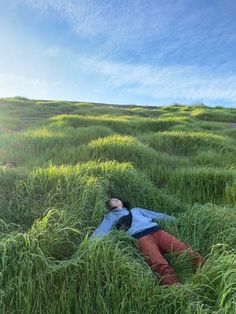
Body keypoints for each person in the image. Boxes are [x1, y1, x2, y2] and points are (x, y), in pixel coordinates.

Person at [90, 197, 205, 286]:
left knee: (183, 249)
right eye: (111, 201)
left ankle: (205, 268)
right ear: (109, 206)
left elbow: (157, 215)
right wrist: (88, 245)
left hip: (157, 231)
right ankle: (177, 289)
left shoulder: (136, 210)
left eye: (116, 198)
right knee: (159, 264)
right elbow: (102, 230)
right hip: (141, 237)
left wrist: (178, 220)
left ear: (121, 202)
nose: (113, 199)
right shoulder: (111, 216)